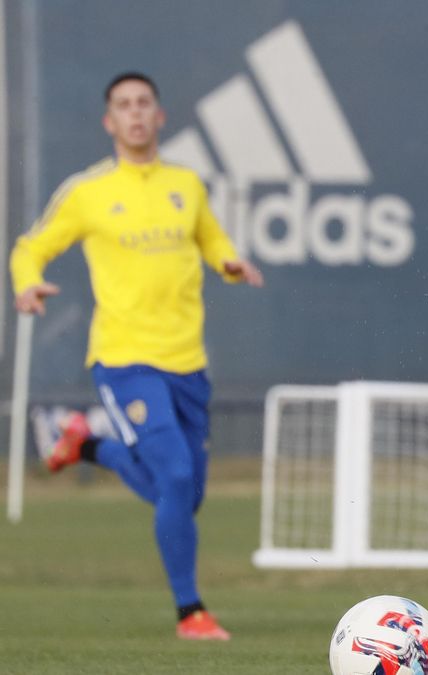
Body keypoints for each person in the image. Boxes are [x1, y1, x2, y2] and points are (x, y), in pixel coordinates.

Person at [10, 72, 263, 641]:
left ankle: (85, 444)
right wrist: (26, 282)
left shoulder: (186, 185)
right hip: (124, 359)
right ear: (110, 122)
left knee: (184, 495)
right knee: (172, 476)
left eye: (143, 103)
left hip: (188, 362)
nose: (135, 113)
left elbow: (211, 238)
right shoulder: (88, 191)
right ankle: (190, 612)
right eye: (123, 106)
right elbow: (32, 245)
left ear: (160, 114)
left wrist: (228, 261)